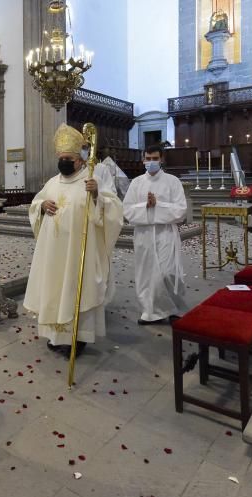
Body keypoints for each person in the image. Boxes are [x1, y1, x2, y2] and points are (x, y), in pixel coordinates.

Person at [23, 123, 124, 356]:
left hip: (79, 253)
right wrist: (40, 206)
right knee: (55, 290)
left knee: (75, 291)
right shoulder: (51, 182)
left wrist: (98, 196)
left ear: (80, 160)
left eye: (68, 158)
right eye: (61, 157)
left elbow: (114, 212)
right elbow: (36, 205)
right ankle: (55, 335)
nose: (63, 162)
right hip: (54, 254)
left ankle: (77, 338)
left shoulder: (89, 183)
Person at [123, 145, 187, 325]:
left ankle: (175, 308)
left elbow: (181, 210)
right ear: (143, 160)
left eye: (155, 158)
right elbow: (127, 210)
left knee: (168, 272)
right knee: (147, 273)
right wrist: (146, 206)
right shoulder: (136, 183)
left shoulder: (172, 181)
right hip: (143, 233)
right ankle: (150, 311)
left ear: (161, 159)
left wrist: (157, 205)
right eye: (148, 158)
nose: (151, 162)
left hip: (165, 232)